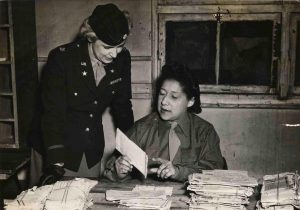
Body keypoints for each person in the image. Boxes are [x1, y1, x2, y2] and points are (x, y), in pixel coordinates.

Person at [40, 3, 134, 182]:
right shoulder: (62, 59)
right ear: (91, 38)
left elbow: (122, 106)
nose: (114, 54)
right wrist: (55, 162)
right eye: (107, 47)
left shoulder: (122, 59)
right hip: (55, 142)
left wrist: (130, 148)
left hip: (91, 145)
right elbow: (53, 113)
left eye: (120, 46)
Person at [104, 63, 224, 182]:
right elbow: (111, 170)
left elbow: (214, 173)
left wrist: (178, 172)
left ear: (190, 101)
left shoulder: (205, 132)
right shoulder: (141, 129)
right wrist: (118, 172)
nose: (164, 101)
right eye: (162, 94)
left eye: (174, 97)